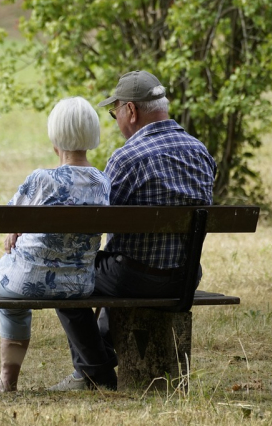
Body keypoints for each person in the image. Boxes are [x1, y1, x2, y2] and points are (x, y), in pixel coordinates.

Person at [49, 71, 217, 391]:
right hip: (185, 277)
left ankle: (94, 372)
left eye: (115, 114)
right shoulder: (201, 152)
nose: (116, 121)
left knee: (64, 273)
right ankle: (102, 353)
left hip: (136, 279)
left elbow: (98, 223)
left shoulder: (127, 158)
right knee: (117, 262)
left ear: (131, 111)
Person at [0, 96, 111, 395]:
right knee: (11, 297)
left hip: (26, 280)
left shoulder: (42, 179)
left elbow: (7, 218)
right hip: (78, 285)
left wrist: (15, 229)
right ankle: (7, 384)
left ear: (55, 137)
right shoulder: (102, 182)